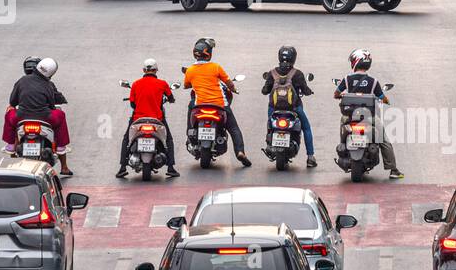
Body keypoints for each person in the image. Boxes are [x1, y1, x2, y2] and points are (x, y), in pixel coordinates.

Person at [335, 49, 403, 179]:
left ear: (355, 62)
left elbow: (336, 94)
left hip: (350, 117)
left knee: (342, 124)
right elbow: (382, 98)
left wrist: (343, 95)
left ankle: (343, 146)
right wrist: (385, 100)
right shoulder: (374, 81)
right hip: (369, 118)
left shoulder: (347, 79)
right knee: (383, 140)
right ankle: (393, 170)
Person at [183, 37, 251, 167]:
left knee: (190, 108)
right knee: (234, 129)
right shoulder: (216, 67)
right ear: (209, 53)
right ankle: (240, 152)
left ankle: (191, 131)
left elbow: (186, 85)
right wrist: (234, 89)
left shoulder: (190, 70)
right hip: (220, 105)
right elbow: (228, 82)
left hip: (200, 105)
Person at [7, 56, 75, 176]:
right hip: (44, 118)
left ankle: (11, 145)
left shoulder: (21, 81)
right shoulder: (48, 85)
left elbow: (12, 101)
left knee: (9, 113)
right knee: (61, 115)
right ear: (51, 73)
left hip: (21, 117)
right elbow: (52, 104)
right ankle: (61, 149)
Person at [117, 58, 178, 179]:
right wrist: (169, 99)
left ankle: (122, 168)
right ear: (156, 70)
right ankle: (170, 168)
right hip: (157, 119)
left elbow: (133, 105)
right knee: (168, 140)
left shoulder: (135, 84)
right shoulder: (162, 84)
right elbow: (171, 98)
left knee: (126, 140)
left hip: (138, 119)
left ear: (144, 70)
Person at [261, 45, 317, 167]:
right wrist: (308, 91)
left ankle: (269, 144)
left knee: (270, 125)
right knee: (306, 128)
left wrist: (266, 88)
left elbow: (265, 91)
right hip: (295, 109)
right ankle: (310, 157)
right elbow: (306, 90)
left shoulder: (272, 73)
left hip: (274, 109)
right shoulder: (297, 74)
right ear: (294, 58)